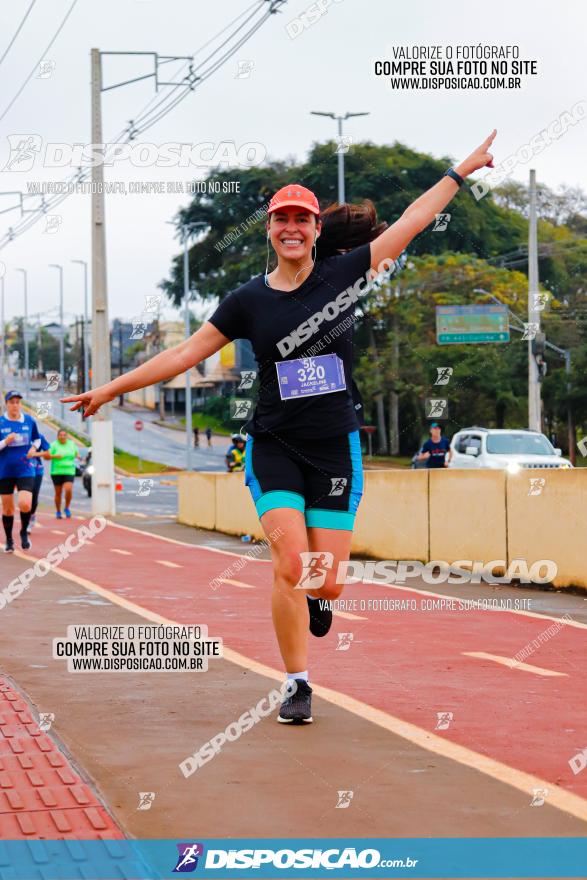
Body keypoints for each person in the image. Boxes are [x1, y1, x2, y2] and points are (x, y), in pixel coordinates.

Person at [62, 130, 496, 723]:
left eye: (303, 218)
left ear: (317, 229)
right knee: (289, 565)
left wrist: (459, 171)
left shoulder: (345, 274)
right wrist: (111, 388)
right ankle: (297, 682)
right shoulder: (247, 301)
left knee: (329, 583)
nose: (292, 227)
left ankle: (321, 604)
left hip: (335, 449)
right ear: (270, 230)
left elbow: (413, 222)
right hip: (275, 445)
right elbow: (183, 355)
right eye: (281, 219)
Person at [0, 390, 40, 551]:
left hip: (25, 468)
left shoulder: (29, 421)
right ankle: (9, 540)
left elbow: (37, 439)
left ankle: (23, 532)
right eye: (12, 402)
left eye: (18, 402)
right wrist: (5, 442)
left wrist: (33, 448)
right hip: (5, 470)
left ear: (20, 404)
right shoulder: (1, 422)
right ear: (7, 404)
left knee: (25, 503)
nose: (15, 405)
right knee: (8, 508)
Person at [47, 429, 78, 518]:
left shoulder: (71, 444)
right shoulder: (53, 445)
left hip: (69, 470)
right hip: (56, 471)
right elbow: (47, 456)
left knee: (68, 489)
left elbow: (76, 454)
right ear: (58, 436)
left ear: (67, 436)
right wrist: (55, 456)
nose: (62, 436)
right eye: (60, 435)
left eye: (64, 435)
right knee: (58, 493)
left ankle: (67, 508)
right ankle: (58, 511)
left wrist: (80, 457)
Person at [26, 432, 51, 530]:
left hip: (37, 470)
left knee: (34, 495)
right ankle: (25, 520)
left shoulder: (40, 437)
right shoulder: (19, 435)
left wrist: (34, 454)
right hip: (21, 470)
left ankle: (31, 516)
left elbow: (48, 454)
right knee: (25, 496)